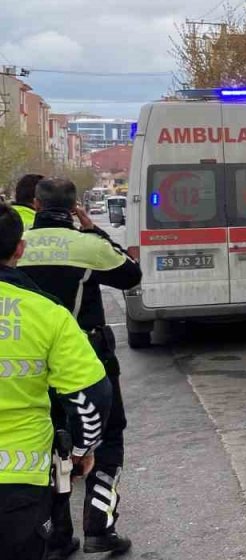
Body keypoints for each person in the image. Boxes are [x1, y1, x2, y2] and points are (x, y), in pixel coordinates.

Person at [17, 178, 142, 556]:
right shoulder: (88, 246)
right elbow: (131, 274)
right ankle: (100, 526)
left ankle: (57, 534)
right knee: (107, 437)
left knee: (53, 441)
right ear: (74, 208)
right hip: (88, 357)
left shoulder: (18, 244)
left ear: (36, 205)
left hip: (37, 360)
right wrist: (94, 230)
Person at [0, 201, 113, 560]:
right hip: (18, 480)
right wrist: (81, 450)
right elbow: (91, 393)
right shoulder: (47, 313)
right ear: (20, 248)